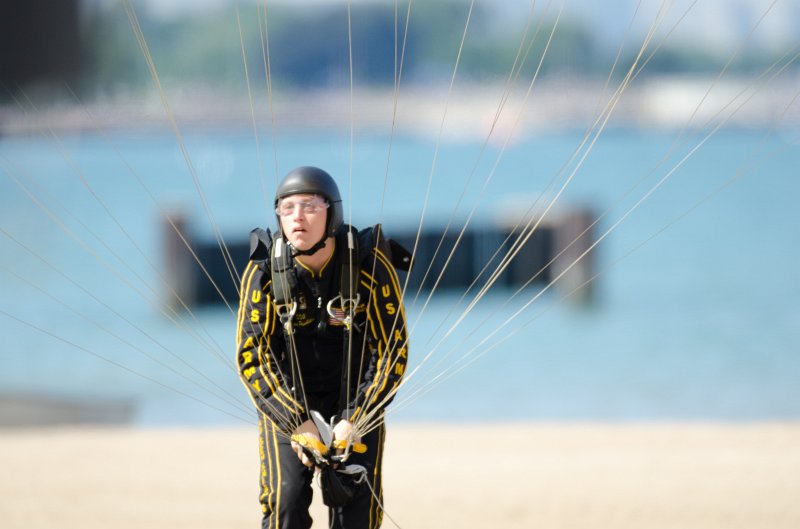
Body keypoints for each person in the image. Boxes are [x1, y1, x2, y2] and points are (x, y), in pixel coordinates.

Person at [236, 166, 409, 529]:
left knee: (356, 513)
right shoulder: (264, 272)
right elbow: (253, 357)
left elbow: (392, 350)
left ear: (333, 213)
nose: (297, 217)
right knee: (285, 505)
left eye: (310, 206)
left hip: (356, 399)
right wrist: (295, 420)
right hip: (288, 400)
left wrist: (355, 417)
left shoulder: (368, 264)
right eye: (287, 208)